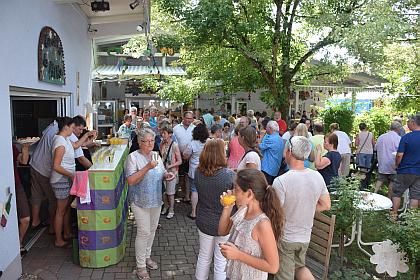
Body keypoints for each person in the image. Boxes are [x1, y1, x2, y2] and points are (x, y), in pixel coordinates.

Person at [273, 136, 331, 280]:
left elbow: (274, 213)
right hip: (305, 237)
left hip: (286, 238)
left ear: (289, 152)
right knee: (299, 267)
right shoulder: (317, 177)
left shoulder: (281, 181)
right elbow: (326, 204)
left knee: (284, 276)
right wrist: (308, 207)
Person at [125, 128, 175, 280]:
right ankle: (140, 266)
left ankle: (147, 257)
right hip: (139, 201)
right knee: (144, 231)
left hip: (155, 199)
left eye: (152, 141)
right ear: (139, 142)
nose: (149, 144)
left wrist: (167, 175)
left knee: (152, 230)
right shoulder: (133, 157)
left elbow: (161, 173)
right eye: (145, 141)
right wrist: (147, 167)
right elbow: (131, 180)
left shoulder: (156, 155)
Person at [218, 169, 284, 279]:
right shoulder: (242, 211)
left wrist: (238, 255)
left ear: (249, 194)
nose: (233, 192)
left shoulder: (262, 224)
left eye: (236, 189)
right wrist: (227, 207)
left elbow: (273, 267)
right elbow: (222, 231)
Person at [194, 139, 235, 280]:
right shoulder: (229, 175)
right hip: (223, 223)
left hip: (203, 219)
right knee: (221, 260)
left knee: (204, 256)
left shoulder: (197, 172)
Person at [51, 117, 77, 248]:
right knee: (60, 211)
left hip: (65, 178)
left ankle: (66, 233)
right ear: (66, 127)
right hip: (60, 180)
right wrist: (71, 175)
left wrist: (87, 136)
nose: (73, 130)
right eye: (72, 127)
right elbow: (56, 166)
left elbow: (76, 145)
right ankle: (58, 239)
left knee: (66, 208)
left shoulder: (65, 139)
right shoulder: (60, 142)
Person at [392, 114, 420, 213]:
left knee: (397, 193)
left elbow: (399, 155)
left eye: (408, 122)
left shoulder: (406, 137)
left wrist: (396, 164)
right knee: (415, 196)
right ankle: (410, 221)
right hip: (418, 171)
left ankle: (394, 215)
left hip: (405, 170)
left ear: (413, 123)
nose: (407, 124)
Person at [183, 124, 209, 219]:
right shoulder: (209, 142)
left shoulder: (193, 143)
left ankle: (193, 212)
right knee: (205, 191)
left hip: (194, 170)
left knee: (194, 190)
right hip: (207, 169)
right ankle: (205, 211)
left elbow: (185, 155)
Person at [12, 143, 31, 256]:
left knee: (25, 219)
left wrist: (25, 147)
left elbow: (23, 161)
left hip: (15, 184)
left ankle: (18, 242)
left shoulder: (10, 145)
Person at [374, 121, 402, 197]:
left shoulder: (381, 137)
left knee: (380, 180)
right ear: (398, 129)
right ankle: (389, 199)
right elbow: (400, 152)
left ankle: (374, 194)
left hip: (382, 162)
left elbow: (375, 148)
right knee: (392, 182)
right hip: (393, 163)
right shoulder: (398, 138)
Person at [159, 126, 182, 219]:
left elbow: (180, 161)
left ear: (170, 134)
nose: (162, 135)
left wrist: (171, 166)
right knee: (164, 192)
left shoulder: (174, 145)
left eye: (164, 133)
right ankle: (165, 206)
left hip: (172, 172)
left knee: (170, 193)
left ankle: (171, 209)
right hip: (163, 171)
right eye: (162, 133)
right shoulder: (162, 143)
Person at [173, 111, 196, 203]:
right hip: (179, 157)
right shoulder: (176, 128)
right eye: (187, 118)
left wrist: (188, 154)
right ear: (183, 117)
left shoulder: (194, 128)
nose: (189, 120)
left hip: (191, 157)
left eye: (191, 118)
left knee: (188, 177)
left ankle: (187, 195)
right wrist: (180, 155)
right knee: (181, 177)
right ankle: (182, 193)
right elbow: (174, 142)